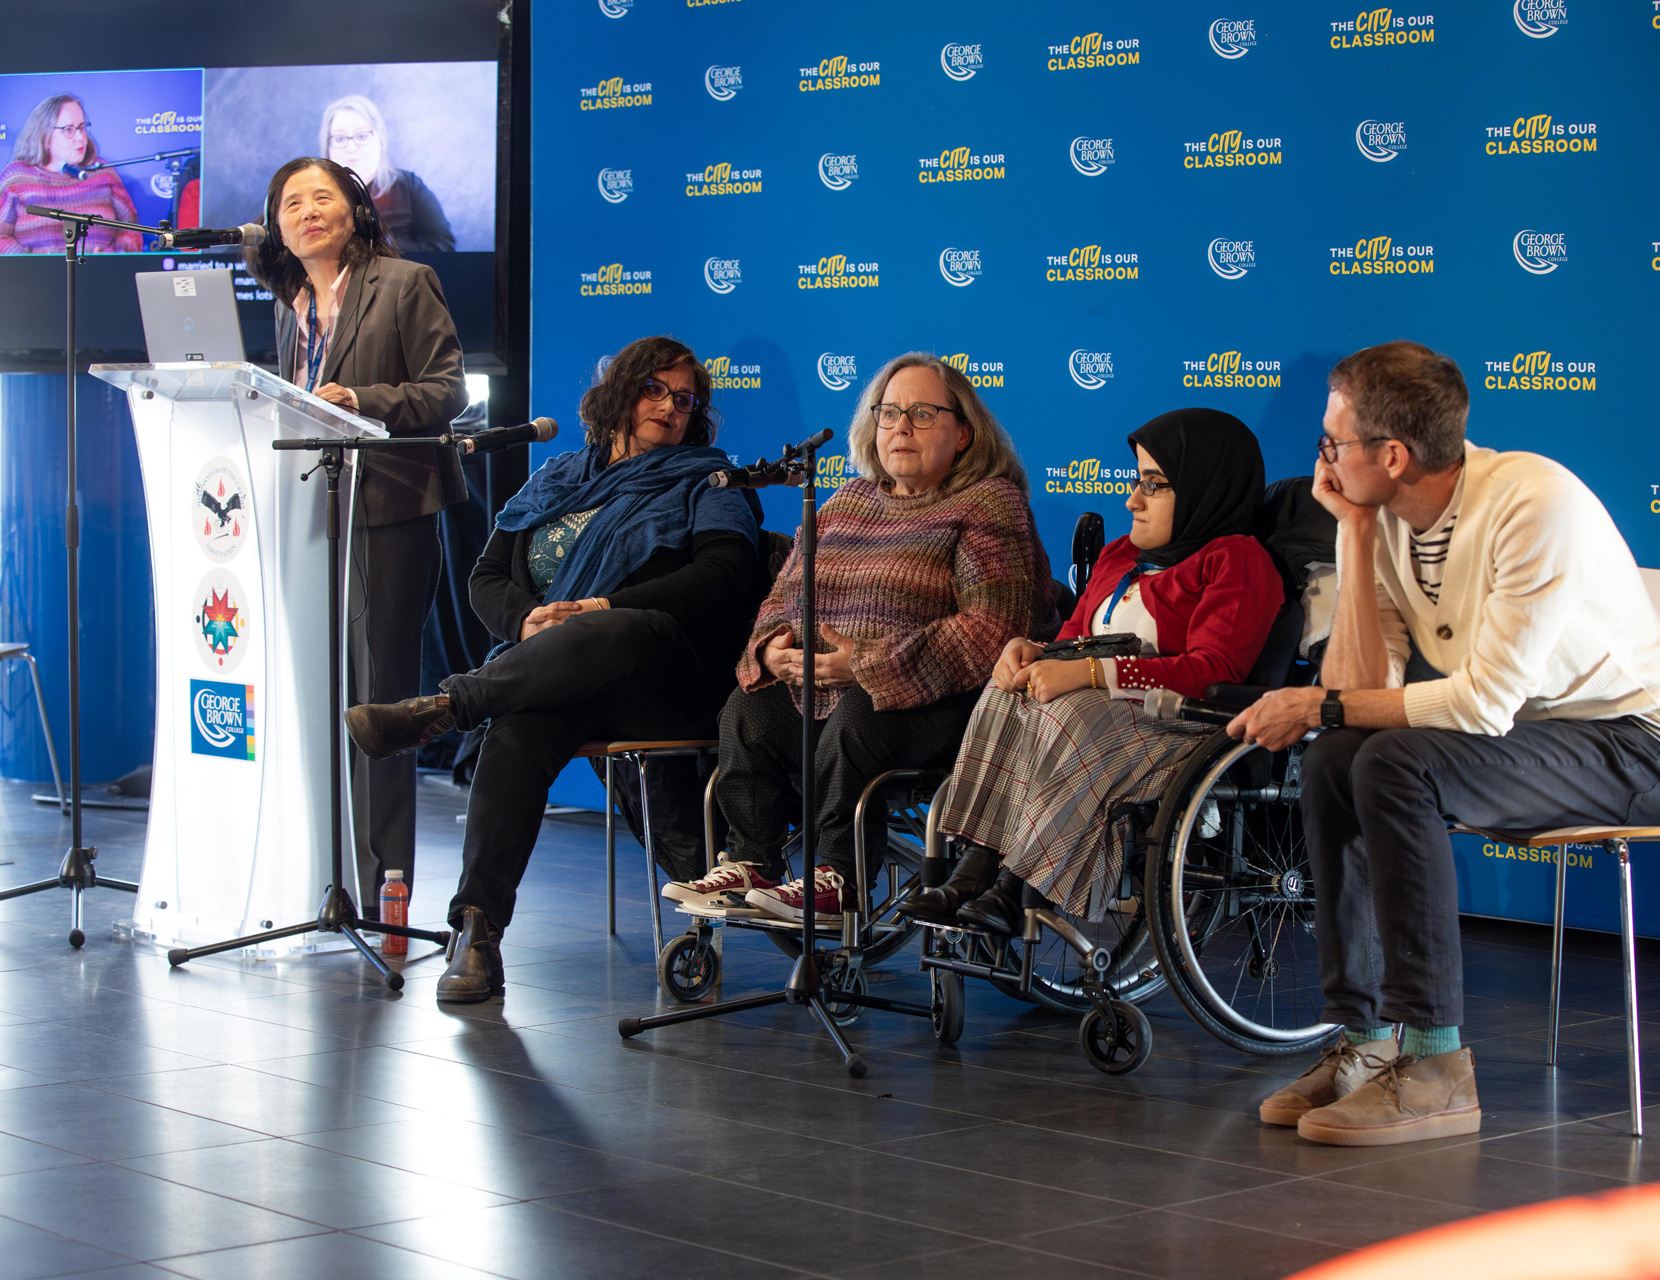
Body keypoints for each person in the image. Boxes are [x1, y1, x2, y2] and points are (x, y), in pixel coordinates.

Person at [1228, 341, 1660, 1147]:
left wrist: (1322, 703)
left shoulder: (1531, 502)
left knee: (1392, 759)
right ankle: (1362, 1041)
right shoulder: (1385, 517)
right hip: (1527, 738)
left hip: (1635, 748)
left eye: (1331, 444)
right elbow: (1355, 688)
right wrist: (1350, 532)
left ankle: (1437, 1063)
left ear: (1392, 455)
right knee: (1340, 754)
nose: (1322, 460)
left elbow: (1480, 703)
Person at [342, 337, 763, 1003]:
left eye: (686, 400)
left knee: (616, 628)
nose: (671, 408)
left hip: (663, 677)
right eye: (655, 389)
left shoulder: (708, 480)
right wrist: (526, 623)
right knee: (523, 724)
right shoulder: (559, 477)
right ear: (619, 393)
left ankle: (450, 707)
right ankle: (476, 933)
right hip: (560, 675)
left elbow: (726, 574)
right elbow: (486, 577)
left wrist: (601, 606)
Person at [662, 352, 1054, 923]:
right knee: (746, 714)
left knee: (855, 723)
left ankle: (838, 879)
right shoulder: (847, 501)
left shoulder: (989, 503)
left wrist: (867, 665)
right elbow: (783, 596)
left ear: (964, 433)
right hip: (823, 689)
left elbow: (992, 630)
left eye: (922, 414)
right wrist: (770, 648)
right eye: (889, 412)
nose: (899, 427)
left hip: (941, 702)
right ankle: (750, 861)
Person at [900, 408, 1285, 933]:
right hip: (1103, 717)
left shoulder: (1236, 561)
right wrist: (1031, 653)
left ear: (1203, 489)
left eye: (1155, 485)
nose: (1133, 499)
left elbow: (1215, 669)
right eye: (1136, 480)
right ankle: (972, 870)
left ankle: (1021, 887)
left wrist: (1095, 675)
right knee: (1004, 693)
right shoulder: (1120, 554)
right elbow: (1074, 637)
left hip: (1183, 723)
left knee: (1074, 712)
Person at [244, 155, 469, 918]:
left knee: (383, 693)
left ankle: (388, 876)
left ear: (356, 208)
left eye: (321, 197)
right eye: (290, 204)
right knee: (320, 686)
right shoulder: (292, 301)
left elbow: (447, 390)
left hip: (392, 510)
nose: (306, 212)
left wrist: (359, 399)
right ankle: (326, 859)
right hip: (312, 510)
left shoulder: (404, 283)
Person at [0, 94, 144, 254]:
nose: (80, 137)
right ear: (45, 137)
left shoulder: (102, 172)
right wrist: (32, 262)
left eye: (82, 128)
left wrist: (114, 254)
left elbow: (132, 228)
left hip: (101, 275)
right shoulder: (17, 178)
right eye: (68, 130)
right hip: (34, 277)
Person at [320, 95, 455, 253]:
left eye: (362, 136)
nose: (351, 147)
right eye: (340, 138)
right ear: (327, 145)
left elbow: (442, 246)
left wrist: (380, 247)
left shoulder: (408, 185)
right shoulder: (313, 193)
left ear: (380, 139)